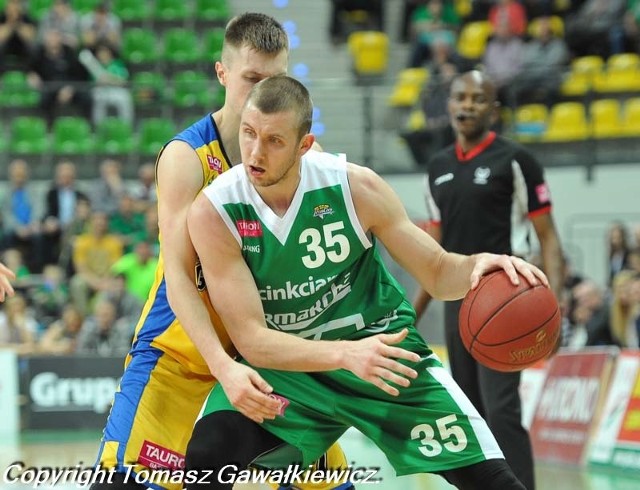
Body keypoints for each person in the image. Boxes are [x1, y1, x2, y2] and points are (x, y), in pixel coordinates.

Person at [185, 75, 550, 490]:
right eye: (248, 134)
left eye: (274, 140)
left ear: (305, 145)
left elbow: (436, 270)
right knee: (205, 459)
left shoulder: (356, 187)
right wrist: (344, 354)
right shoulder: (215, 211)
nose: (254, 152)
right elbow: (251, 341)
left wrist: (477, 267)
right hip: (289, 369)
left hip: (384, 354)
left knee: (495, 482)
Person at [90, 13, 350, 490]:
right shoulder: (186, 159)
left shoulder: (305, 159)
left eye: (276, 80)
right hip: (183, 357)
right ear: (222, 74)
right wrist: (223, 365)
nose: (264, 93)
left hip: (267, 362)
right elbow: (179, 276)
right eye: (252, 79)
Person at [413, 70, 564, 490]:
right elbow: (432, 253)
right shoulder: (438, 167)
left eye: (479, 99)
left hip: (507, 298)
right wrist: (409, 314)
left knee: (501, 410)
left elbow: (549, 238)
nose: (467, 106)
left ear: (493, 111)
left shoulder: (516, 160)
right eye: (461, 98)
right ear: (449, 105)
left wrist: (556, 305)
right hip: (456, 302)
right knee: (469, 414)